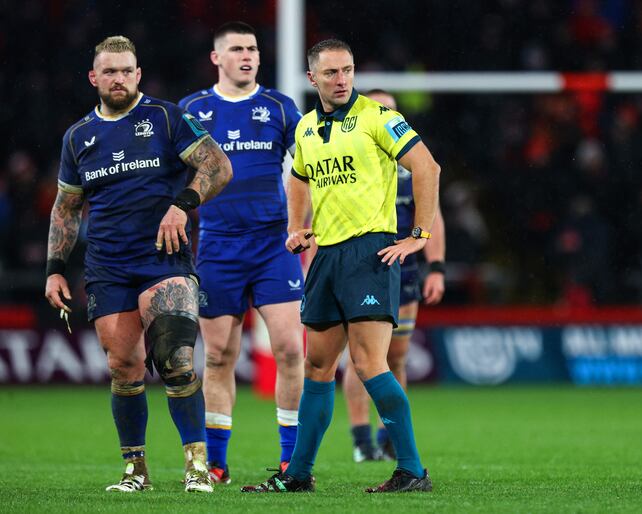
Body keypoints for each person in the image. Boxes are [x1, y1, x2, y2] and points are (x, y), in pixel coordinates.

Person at [241, 39, 440, 494]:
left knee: (370, 363)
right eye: (330, 73)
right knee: (316, 367)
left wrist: (419, 237)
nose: (341, 79)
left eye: (347, 70)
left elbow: (427, 168)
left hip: (369, 252)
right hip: (326, 255)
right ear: (312, 78)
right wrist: (297, 226)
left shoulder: (378, 118)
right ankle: (297, 475)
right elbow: (297, 177)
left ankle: (411, 470)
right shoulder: (308, 128)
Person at [44, 35, 232, 493]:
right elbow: (66, 208)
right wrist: (54, 267)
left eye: (127, 70)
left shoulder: (166, 118)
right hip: (108, 265)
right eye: (110, 71)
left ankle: (197, 466)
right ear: (94, 78)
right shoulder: (78, 137)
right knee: (124, 366)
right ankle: (136, 472)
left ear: (138, 74)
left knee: (175, 357)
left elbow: (218, 167)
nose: (119, 79)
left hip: (163, 258)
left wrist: (182, 204)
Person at [178, 21, 305, 484]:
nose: (247, 55)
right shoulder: (191, 109)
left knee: (291, 349)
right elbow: (172, 176)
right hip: (217, 245)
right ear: (217, 58)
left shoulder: (278, 107)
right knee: (217, 357)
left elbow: (307, 168)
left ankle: (292, 458)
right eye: (236, 49)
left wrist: (303, 222)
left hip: (274, 244)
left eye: (252, 48)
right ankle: (216, 462)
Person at [342, 89, 446, 462]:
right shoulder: (352, 164)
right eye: (380, 109)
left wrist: (436, 267)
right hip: (361, 269)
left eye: (393, 111)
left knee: (395, 357)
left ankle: (387, 437)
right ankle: (361, 439)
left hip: (405, 273)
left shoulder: (412, 168)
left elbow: (433, 217)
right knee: (361, 355)